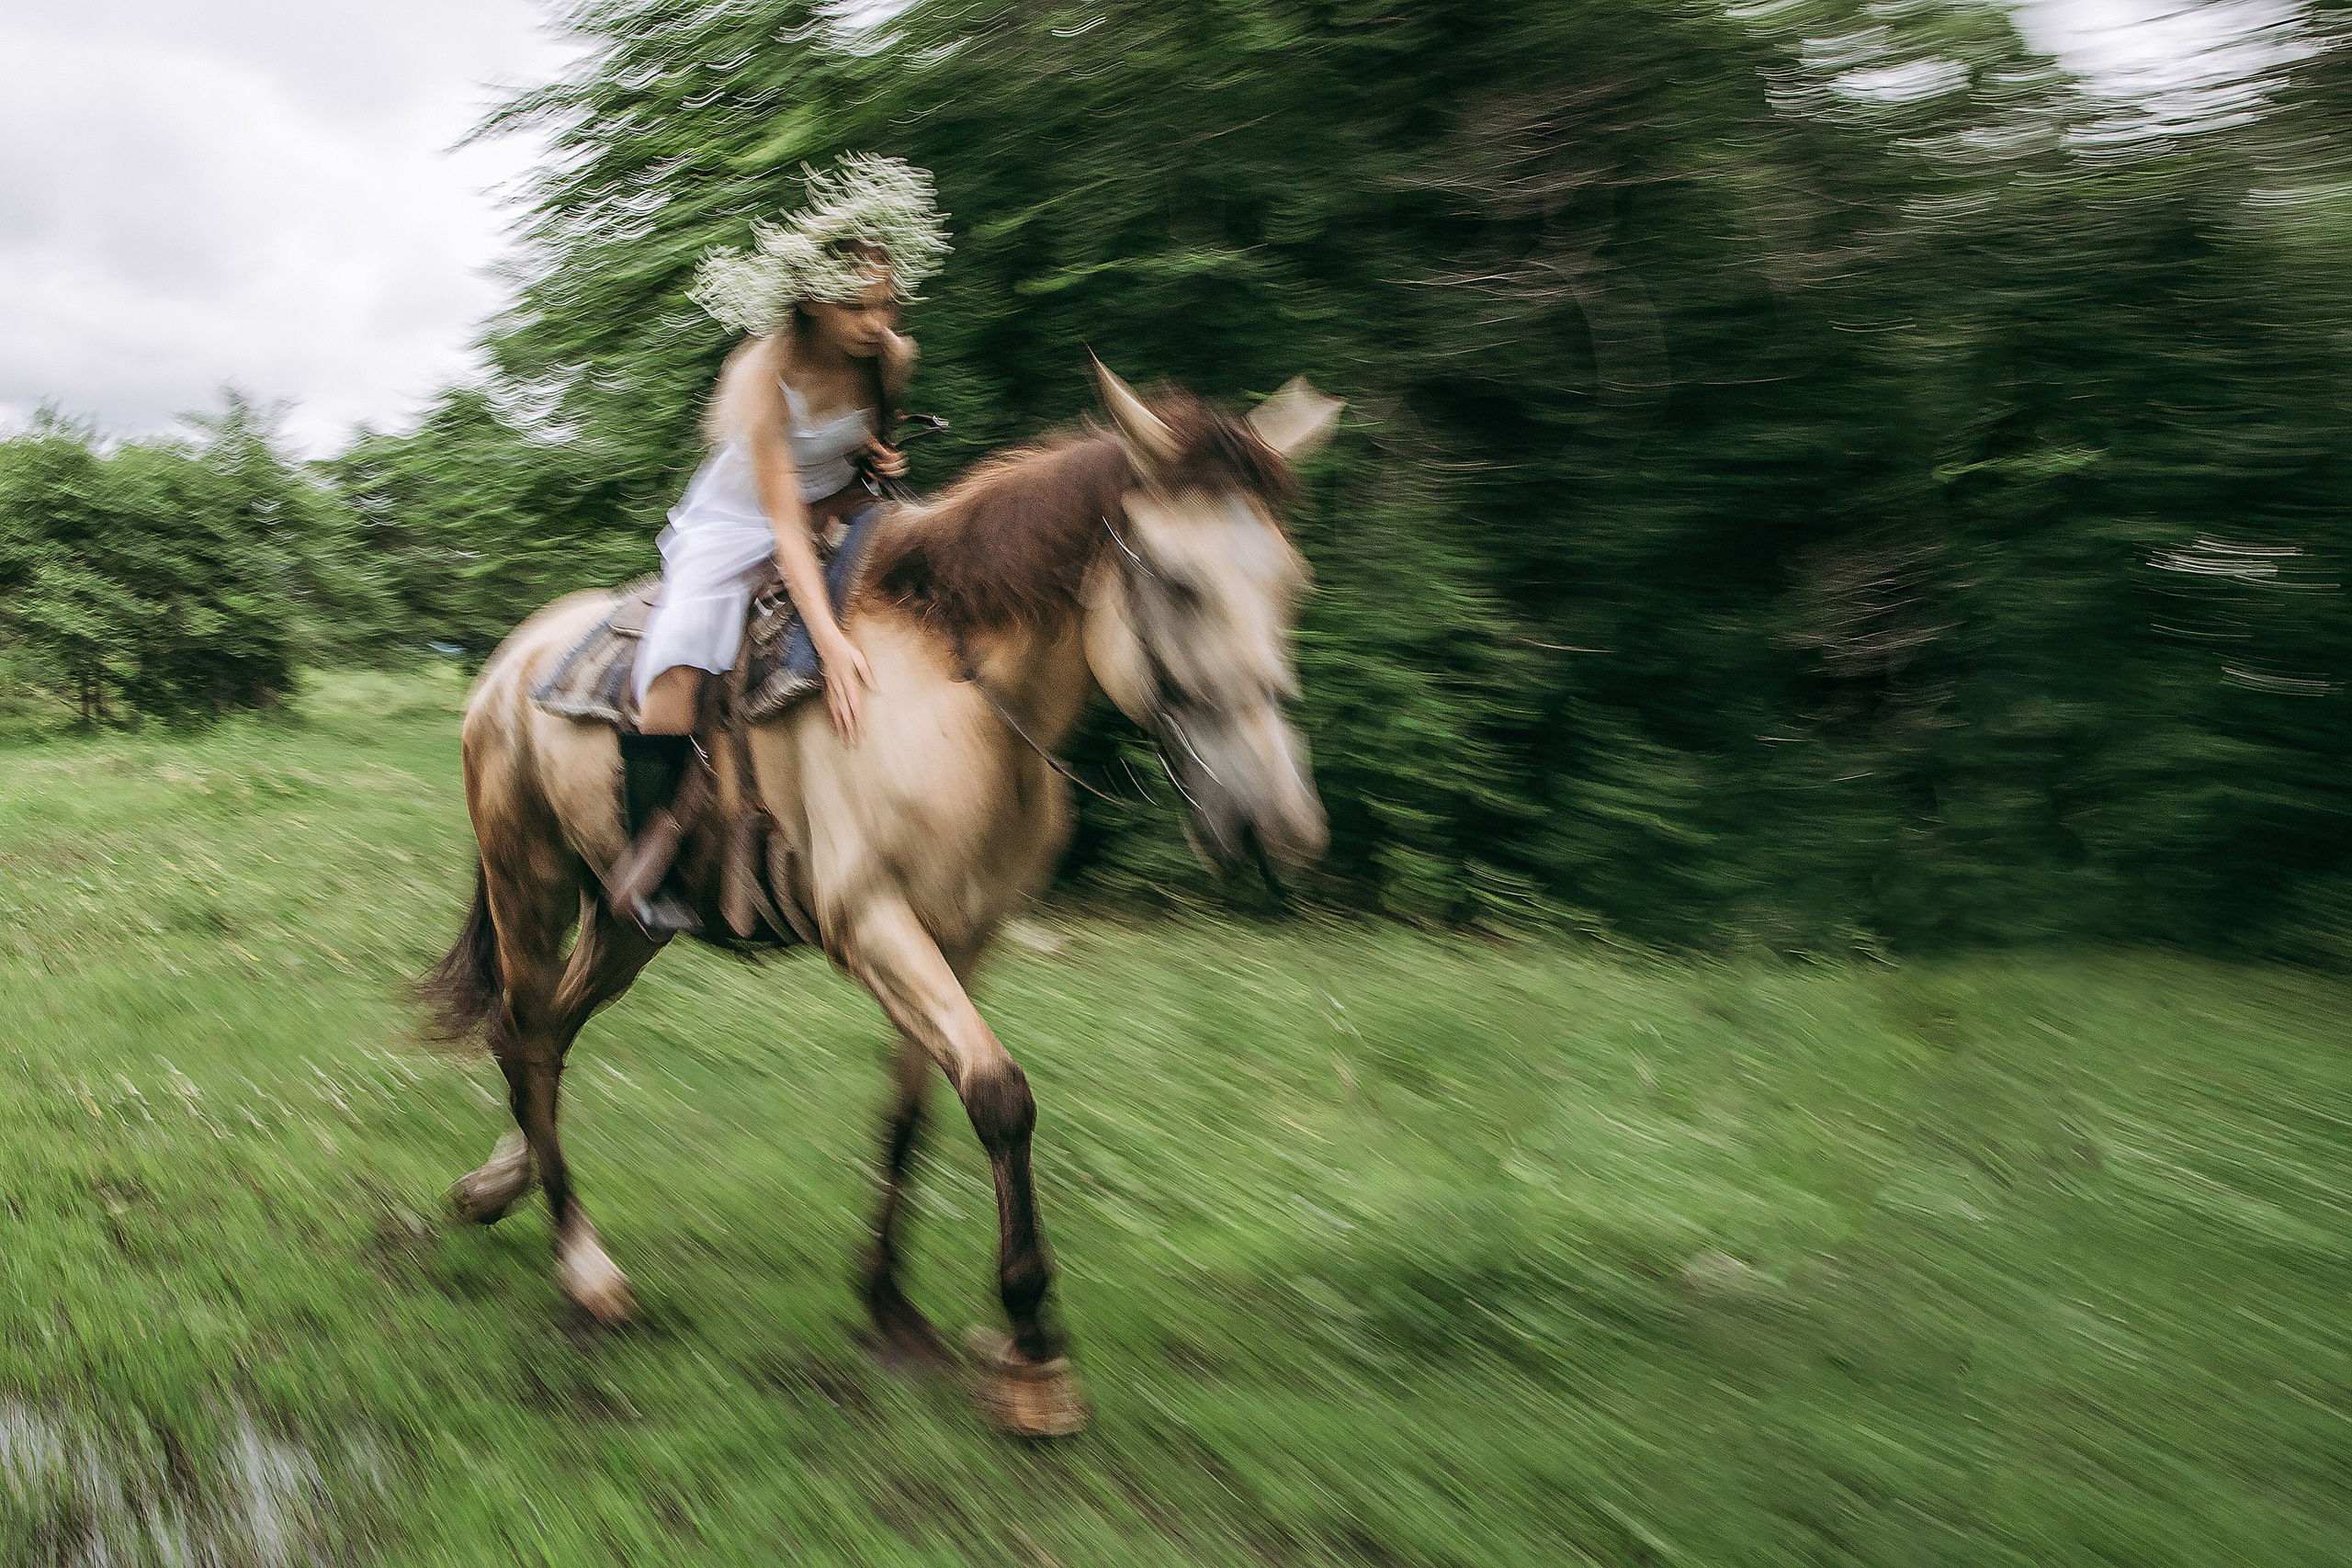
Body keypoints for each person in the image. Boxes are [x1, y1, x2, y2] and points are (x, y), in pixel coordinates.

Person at [608, 154, 953, 933]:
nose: (877, 322)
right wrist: (829, 643)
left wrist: (879, 459)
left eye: (887, 303)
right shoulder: (761, 375)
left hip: (840, 503)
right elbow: (783, 526)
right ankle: (651, 857)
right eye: (857, 307)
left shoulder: (890, 357)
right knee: (681, 651)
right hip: (743, 519)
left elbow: (871, 437)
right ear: (810, 299)